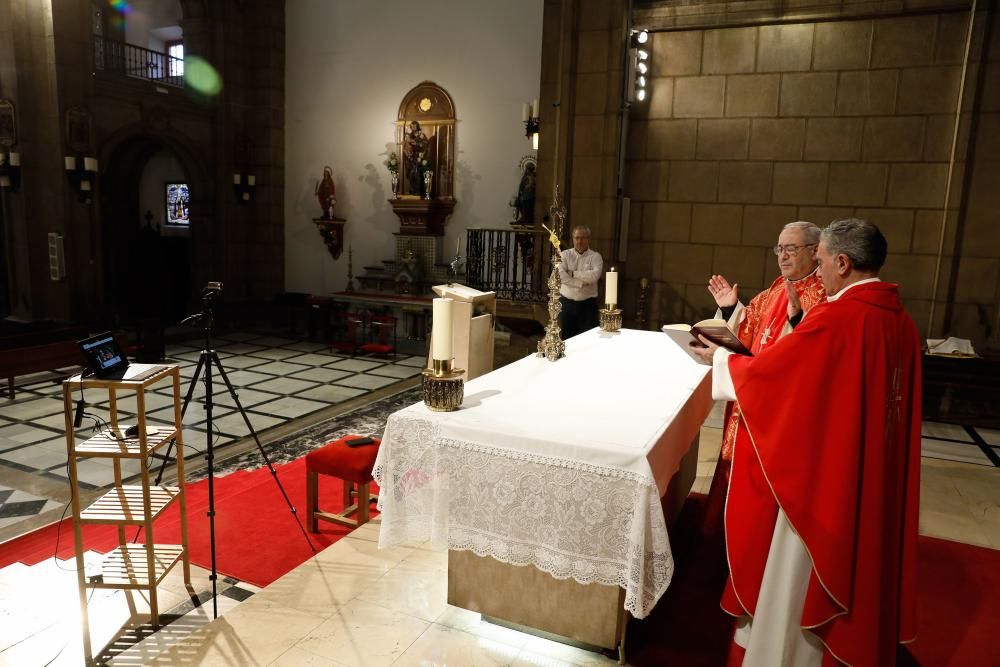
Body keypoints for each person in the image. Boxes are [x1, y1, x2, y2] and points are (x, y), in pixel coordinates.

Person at [694, 219, 921, 667]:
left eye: (819, 260)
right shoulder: (901, 321)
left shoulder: (840, 317)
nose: (817, 270)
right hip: (868, 468)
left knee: (798, 574)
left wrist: (719, 359)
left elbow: (779, 377)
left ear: (842, 261)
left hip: (825, 480)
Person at [704, 222, 826, 530]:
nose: (782, 256)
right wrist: (732, 307)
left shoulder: (821, 295)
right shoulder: (776, 288)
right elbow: (752, 328)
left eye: (791, 249)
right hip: (749, 393)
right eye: (779, 249)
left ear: (814, 251)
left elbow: (809, 357)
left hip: (777, 408)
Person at [558, 225, 603, 338]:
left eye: (583, 238)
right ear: (573, 239)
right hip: (567, 304)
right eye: (576, 238)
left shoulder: (595, 257)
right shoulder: (564, 255)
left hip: (588, 305)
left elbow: (594, 276)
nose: (579, 241)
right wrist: (581, 283)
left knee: (589, 338)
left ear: (589, 239)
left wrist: (573, 273)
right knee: (567, 339)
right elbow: (561, 276)